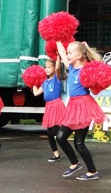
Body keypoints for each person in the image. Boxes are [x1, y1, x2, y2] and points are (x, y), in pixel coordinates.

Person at [55, 40, 106, 181]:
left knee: (79, 143)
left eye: (70, 53)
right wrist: (57, 37)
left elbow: (99, 66)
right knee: (60, 137)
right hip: (72, 107)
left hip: (84, 107)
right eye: (67, 53)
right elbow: (61, 52)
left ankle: (92, 172)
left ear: (79, 56)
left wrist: (87, 48)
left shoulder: (87, 70)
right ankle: (75, 163)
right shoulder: (71, 67)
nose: (67, 55)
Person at [32, 59, 66, 162]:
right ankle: (56, 155)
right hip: (49, 107)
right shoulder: (45, 82)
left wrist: (58, 56)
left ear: (54, 68)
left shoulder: (56, 78)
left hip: (57, 105)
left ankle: (66, 144)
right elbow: (36, 93)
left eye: (49, 67)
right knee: (50, 133)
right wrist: (33, 81)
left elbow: (58, 68)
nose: (46, 69)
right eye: (45, 67)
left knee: (55, 131)